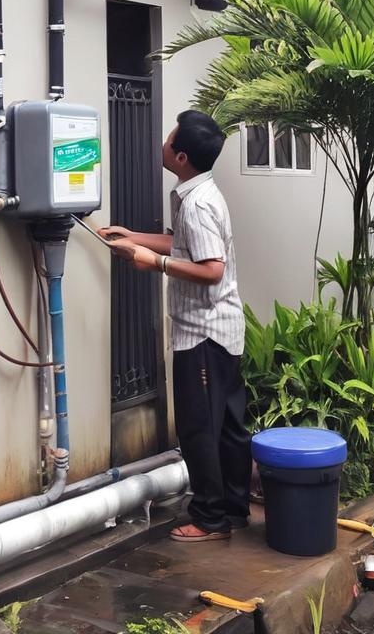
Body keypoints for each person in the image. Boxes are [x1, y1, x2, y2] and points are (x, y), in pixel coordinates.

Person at [99, 109, 251, 542]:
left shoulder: (198, 204)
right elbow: (184, 244)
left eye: (169, 139)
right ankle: (234, 509)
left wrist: (154, 263)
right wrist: (133, 237)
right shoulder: (199, 193)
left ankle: (209, 518)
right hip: (222, 330)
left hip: (202, 333)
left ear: (180, 156)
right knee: (227, 425)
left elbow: (210, 269)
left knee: (200, 427)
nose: (163, 142)